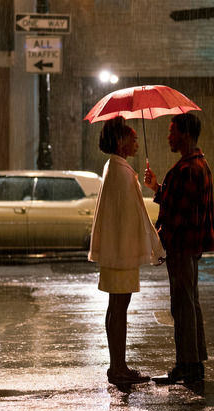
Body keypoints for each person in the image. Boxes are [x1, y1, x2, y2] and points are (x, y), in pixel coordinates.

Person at [88, 116, 165, 385]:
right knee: (119, 308)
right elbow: (138, 215)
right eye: (132, 139)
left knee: (116, 307)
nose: (136, 143)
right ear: (120, 142)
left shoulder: (114, 167)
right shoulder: (122, 171)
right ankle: (118, 367)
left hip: (116, 250)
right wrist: (156, 246)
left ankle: (117, 365)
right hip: (121, 252)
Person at [143, 113, 214, 384]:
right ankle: (194, 363)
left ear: (185, 134)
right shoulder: (198, 164)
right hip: (189, 246)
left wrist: (161, 240)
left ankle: (187, 365)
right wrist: (157, 188)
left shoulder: (189, 170)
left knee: (182, 307)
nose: (168, 136)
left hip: (182, 246)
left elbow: (178, 214)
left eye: (172, 131)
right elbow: (178, 202)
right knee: (189, 304)